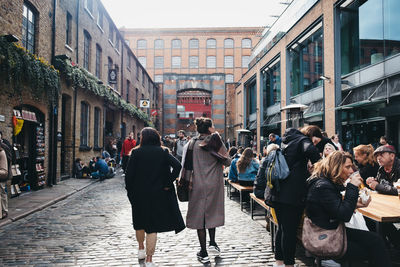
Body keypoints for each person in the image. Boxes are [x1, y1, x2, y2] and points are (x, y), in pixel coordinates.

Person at [306, 151, 392, 267]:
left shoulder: (324, 182)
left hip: (330, 230)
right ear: (336, 167)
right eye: (347, 167)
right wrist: (352, 187)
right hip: (325, 238)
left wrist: (356, 205)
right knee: (376, 248)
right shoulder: (323, 186)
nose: (351, 171)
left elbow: (333, 208)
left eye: (351, 166)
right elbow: (344, 215)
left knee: (376, 239)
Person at [125, 127, 185, 266]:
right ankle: (149, 259)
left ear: (143, 138)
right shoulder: (163, 152)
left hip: (139, 194)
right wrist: (167, 182)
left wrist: (130, 192)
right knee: (152, 226)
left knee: (139, 222)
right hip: (158, 194)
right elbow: (177, 166)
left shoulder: (136, 153)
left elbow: (129, 176)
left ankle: (141, 248)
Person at [266, 127, 321, 267]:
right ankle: (289, 264)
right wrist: (316, 161)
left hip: (277, 192)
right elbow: (314, 154)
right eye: (315, 140)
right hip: (292, 195)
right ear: (311, 136)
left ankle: (279, 261)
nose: (315, 143)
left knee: (282, 228)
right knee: (289, 231)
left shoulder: (286, 141)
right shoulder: (303, 141)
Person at [183, 117, 231, 264]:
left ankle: (203, 252)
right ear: (209, 128)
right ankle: (213, 243)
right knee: (212, 213)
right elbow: (227, 161)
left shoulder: (191, 143)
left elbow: (185, 164)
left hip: (196, 183)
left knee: (199, 217)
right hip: (214, 183)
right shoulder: (215, 141)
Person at [366, 145, 400, 248]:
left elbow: (397, 190)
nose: (378, 158)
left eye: (381, 155)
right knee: (371, 219)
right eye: (377, 156)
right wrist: (372, 181)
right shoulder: (381, 169)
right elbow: (380, 186)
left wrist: (377, 186)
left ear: (392, 156)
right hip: (389, 206)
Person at [0, 145, 8, 219]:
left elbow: (4, 171)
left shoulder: (2, 152)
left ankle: (4, 210)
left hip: (1, 178)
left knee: (2, 192)